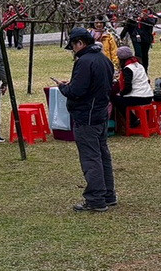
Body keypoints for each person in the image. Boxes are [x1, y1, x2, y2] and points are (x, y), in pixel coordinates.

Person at [59, 27, 116, 212]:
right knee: (102, 155)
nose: (73, 50)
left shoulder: (84, 62)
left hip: (87, 116)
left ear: (80, 43)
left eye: (73, 46)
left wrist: (63, 87)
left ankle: (96, 198)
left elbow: (77, 91)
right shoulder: (104, 59)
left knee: (91, 158)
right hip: (101, 113)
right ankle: (108, 194)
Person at [112, 46, 153, 128]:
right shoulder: (139, 65)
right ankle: (135, 120)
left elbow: (128, 88)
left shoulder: (128, 68)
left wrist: (120, 94)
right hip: (148, 95)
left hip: (139, 97)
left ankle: (133, 120)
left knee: (115, 99)